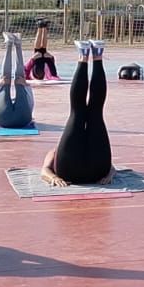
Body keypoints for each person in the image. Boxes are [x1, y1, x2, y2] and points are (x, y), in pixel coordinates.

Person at [41, 41, 114, 186]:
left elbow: (45, 170)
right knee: (92, 112)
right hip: (94, 171)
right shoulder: (60, 150)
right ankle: (94, 56)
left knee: (80, 113)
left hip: (73, 170)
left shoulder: (56, 151)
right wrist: (110, 175)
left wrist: (53, 178)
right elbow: (112, 167)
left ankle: (88, 56)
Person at [0, 30, 35, 129]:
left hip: (21, 119)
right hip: (7, 118)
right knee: (6, 79)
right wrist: (0, 85)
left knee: (16, 80)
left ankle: (16, 44)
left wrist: (25, 85)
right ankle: (11, 44)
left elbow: (31, 105)